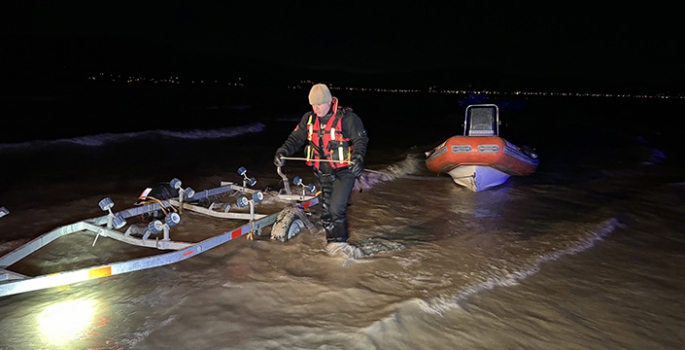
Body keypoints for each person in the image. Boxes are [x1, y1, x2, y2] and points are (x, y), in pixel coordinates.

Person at [274, 83, 368, 251]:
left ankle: (341, 244)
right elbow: (295, 138)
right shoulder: (308, 119)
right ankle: (332, 244)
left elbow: (360, 141)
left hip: (344, 172)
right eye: (313, 105)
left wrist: (358, 159)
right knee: (325, 213)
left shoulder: (347, 118)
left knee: (336, 210)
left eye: (319, 104)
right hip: (322, 172)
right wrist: (282, 151)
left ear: (329, 102)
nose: (316, 108)